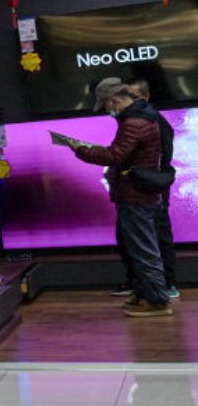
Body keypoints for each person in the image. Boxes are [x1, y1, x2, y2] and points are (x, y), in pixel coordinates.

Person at [70, 78, 171, 317]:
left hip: (135, 195)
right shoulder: (143, 116)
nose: (107, 110)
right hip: (140, 192)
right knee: (140, 247)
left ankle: (157, 301)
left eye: (106, 105)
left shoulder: (133, 122)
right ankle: (146, 294)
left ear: (114, 100)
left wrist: (80, 150)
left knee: (144, 250)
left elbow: (114, 156)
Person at [124, 79, 179, 300]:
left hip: (153, 186)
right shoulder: (134, 121)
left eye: (134, 97)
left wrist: (152, 177)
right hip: (136, 188)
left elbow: (163, 157)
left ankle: (168, 284)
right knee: (135, 236)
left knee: (159, 233)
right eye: (126, 97)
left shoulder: (156, 121)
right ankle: (140, 283)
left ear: (146, 97)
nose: (129, 102)